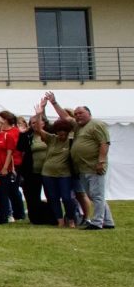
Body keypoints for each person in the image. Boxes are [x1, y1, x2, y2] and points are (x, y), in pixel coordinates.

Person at [46, 93, 113, 230]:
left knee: (97, 195)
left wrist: (101, 161)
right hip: (83, 168)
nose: (78, 116)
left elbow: (104, 143)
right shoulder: (78, 126)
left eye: (81, 113)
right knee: (93, 195)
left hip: (94, 166)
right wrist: (54, 103)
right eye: (76, 114)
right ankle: (108, 221)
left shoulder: (96, 124)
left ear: (89, 113)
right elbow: (65, 117)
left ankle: (97, 222)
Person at [31, 103, 79, 227]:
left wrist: (54, 103)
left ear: (68, 132)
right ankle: (60, 220)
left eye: (64, 132)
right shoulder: (51, 139)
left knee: (67, 198)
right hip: (48, 173)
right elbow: (38, 129)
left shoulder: (71, 141)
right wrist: (38, 114)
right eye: (59, 132)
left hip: (64, 174)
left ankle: (71, 219)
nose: (61, 135)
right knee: (53, 198)